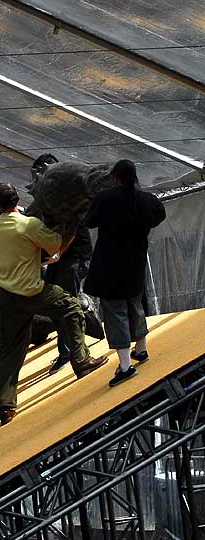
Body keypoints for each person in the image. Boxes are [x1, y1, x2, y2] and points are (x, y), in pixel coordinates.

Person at [0, 183, 108, 425]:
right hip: (32, 291)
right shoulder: (28, 224)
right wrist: (70, 226)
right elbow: (55, 245)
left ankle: (6, 405)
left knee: (11, 351)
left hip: (5, 296)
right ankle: (82, 360)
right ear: (17, 200)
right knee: (72, 307)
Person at [84, 160, 166, 387]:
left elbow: (89, 221)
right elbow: (160, 215)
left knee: (116, 313)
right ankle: (141, 349)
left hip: (109, 267)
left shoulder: (105, 198)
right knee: (135, 305)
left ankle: (125, 366)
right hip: (135, 263)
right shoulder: (148, 201)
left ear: (116, 178)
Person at [44, 223, 93, 373]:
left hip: (74, 258)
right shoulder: (50, 211)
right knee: (59, 305)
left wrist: (58, 253)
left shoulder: (68, 209)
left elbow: (70, 232)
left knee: (67, 306)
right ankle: (71, 352)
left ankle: (72, 354)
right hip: (60, 260)